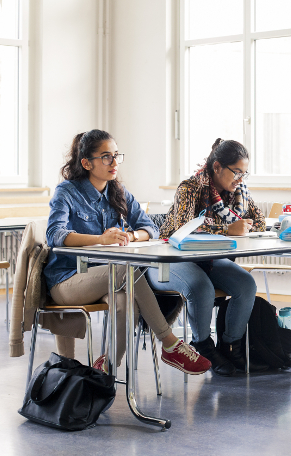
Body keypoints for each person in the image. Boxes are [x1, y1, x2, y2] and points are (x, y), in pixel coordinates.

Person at [44, 129, 211, 376]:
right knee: (125, 270)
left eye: (115, 156)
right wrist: (100, 239)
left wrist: (131, 235)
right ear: (86, 163)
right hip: (67, 280)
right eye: (105, 157)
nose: (114, 163)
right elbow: (55, 235)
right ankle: (169, 343)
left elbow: (151, 229)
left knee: (126, 304)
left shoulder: (118, 192)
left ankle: (105, 372)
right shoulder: (67, 192)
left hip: (105, 279)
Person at [148, 138, 267, 376]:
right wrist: (226, 229)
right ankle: (203, 346)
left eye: (245, 173)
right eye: (236, 172)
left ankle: (230, 347)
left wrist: (243, 227)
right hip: (169, 260)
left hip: (207, 259)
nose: (240, 179)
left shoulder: (239, 192)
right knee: (201, 288)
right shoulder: (189, 188)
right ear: (217, 167)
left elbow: (260, 221)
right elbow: (183, 228)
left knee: (246, 284)